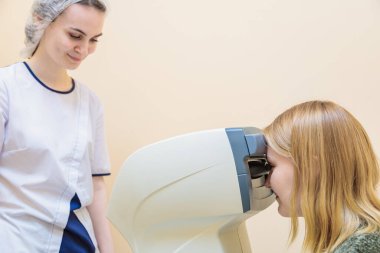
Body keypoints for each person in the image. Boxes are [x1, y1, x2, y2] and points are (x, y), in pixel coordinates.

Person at [0, 0, 114, 252]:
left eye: (94, 40)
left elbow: (96, 184)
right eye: (75, 35)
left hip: (76, 239)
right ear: (41, 21)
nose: (83, 49)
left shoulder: (89, 102)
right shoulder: (6, 88)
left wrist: (107, 249)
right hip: (16, 236)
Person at [263, 100, 380, 253]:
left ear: (310, 166)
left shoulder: (358, 248)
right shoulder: (365, 240)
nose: (266, 183)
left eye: (272, 166)